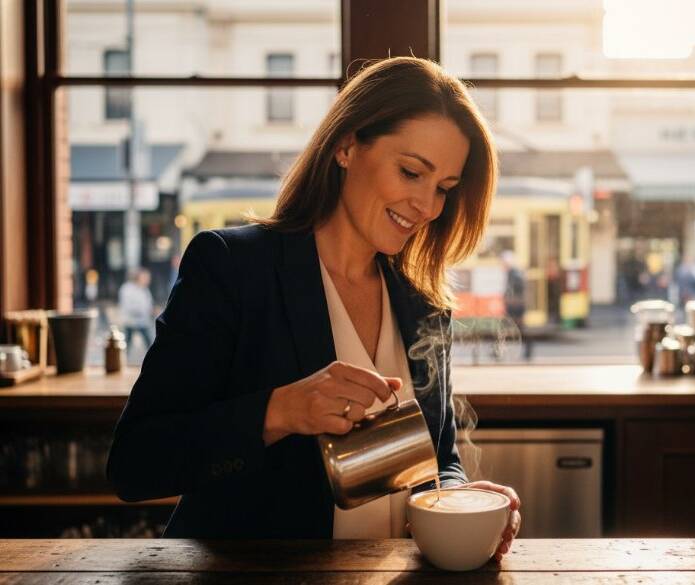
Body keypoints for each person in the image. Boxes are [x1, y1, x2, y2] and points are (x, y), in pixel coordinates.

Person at [106, 57, 521, 555]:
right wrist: (280, 411)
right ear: (346, 145)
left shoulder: (422, 299)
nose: (428, 207)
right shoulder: (233, 268)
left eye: (444, 190)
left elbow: (438, 458)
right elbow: (135, 464)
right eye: (411, 172)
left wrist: (458, 501)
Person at [117, 268, 155, 355]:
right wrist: (142, 310)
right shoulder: (127, 289)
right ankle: (122, 360)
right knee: (126, 344)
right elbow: (127, 306)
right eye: (145, 278)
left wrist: (151, 310)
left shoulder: (145, 290)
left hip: (143, 321)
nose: (147, 280)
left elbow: (148, 304)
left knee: (149, 342)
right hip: (130, 321)